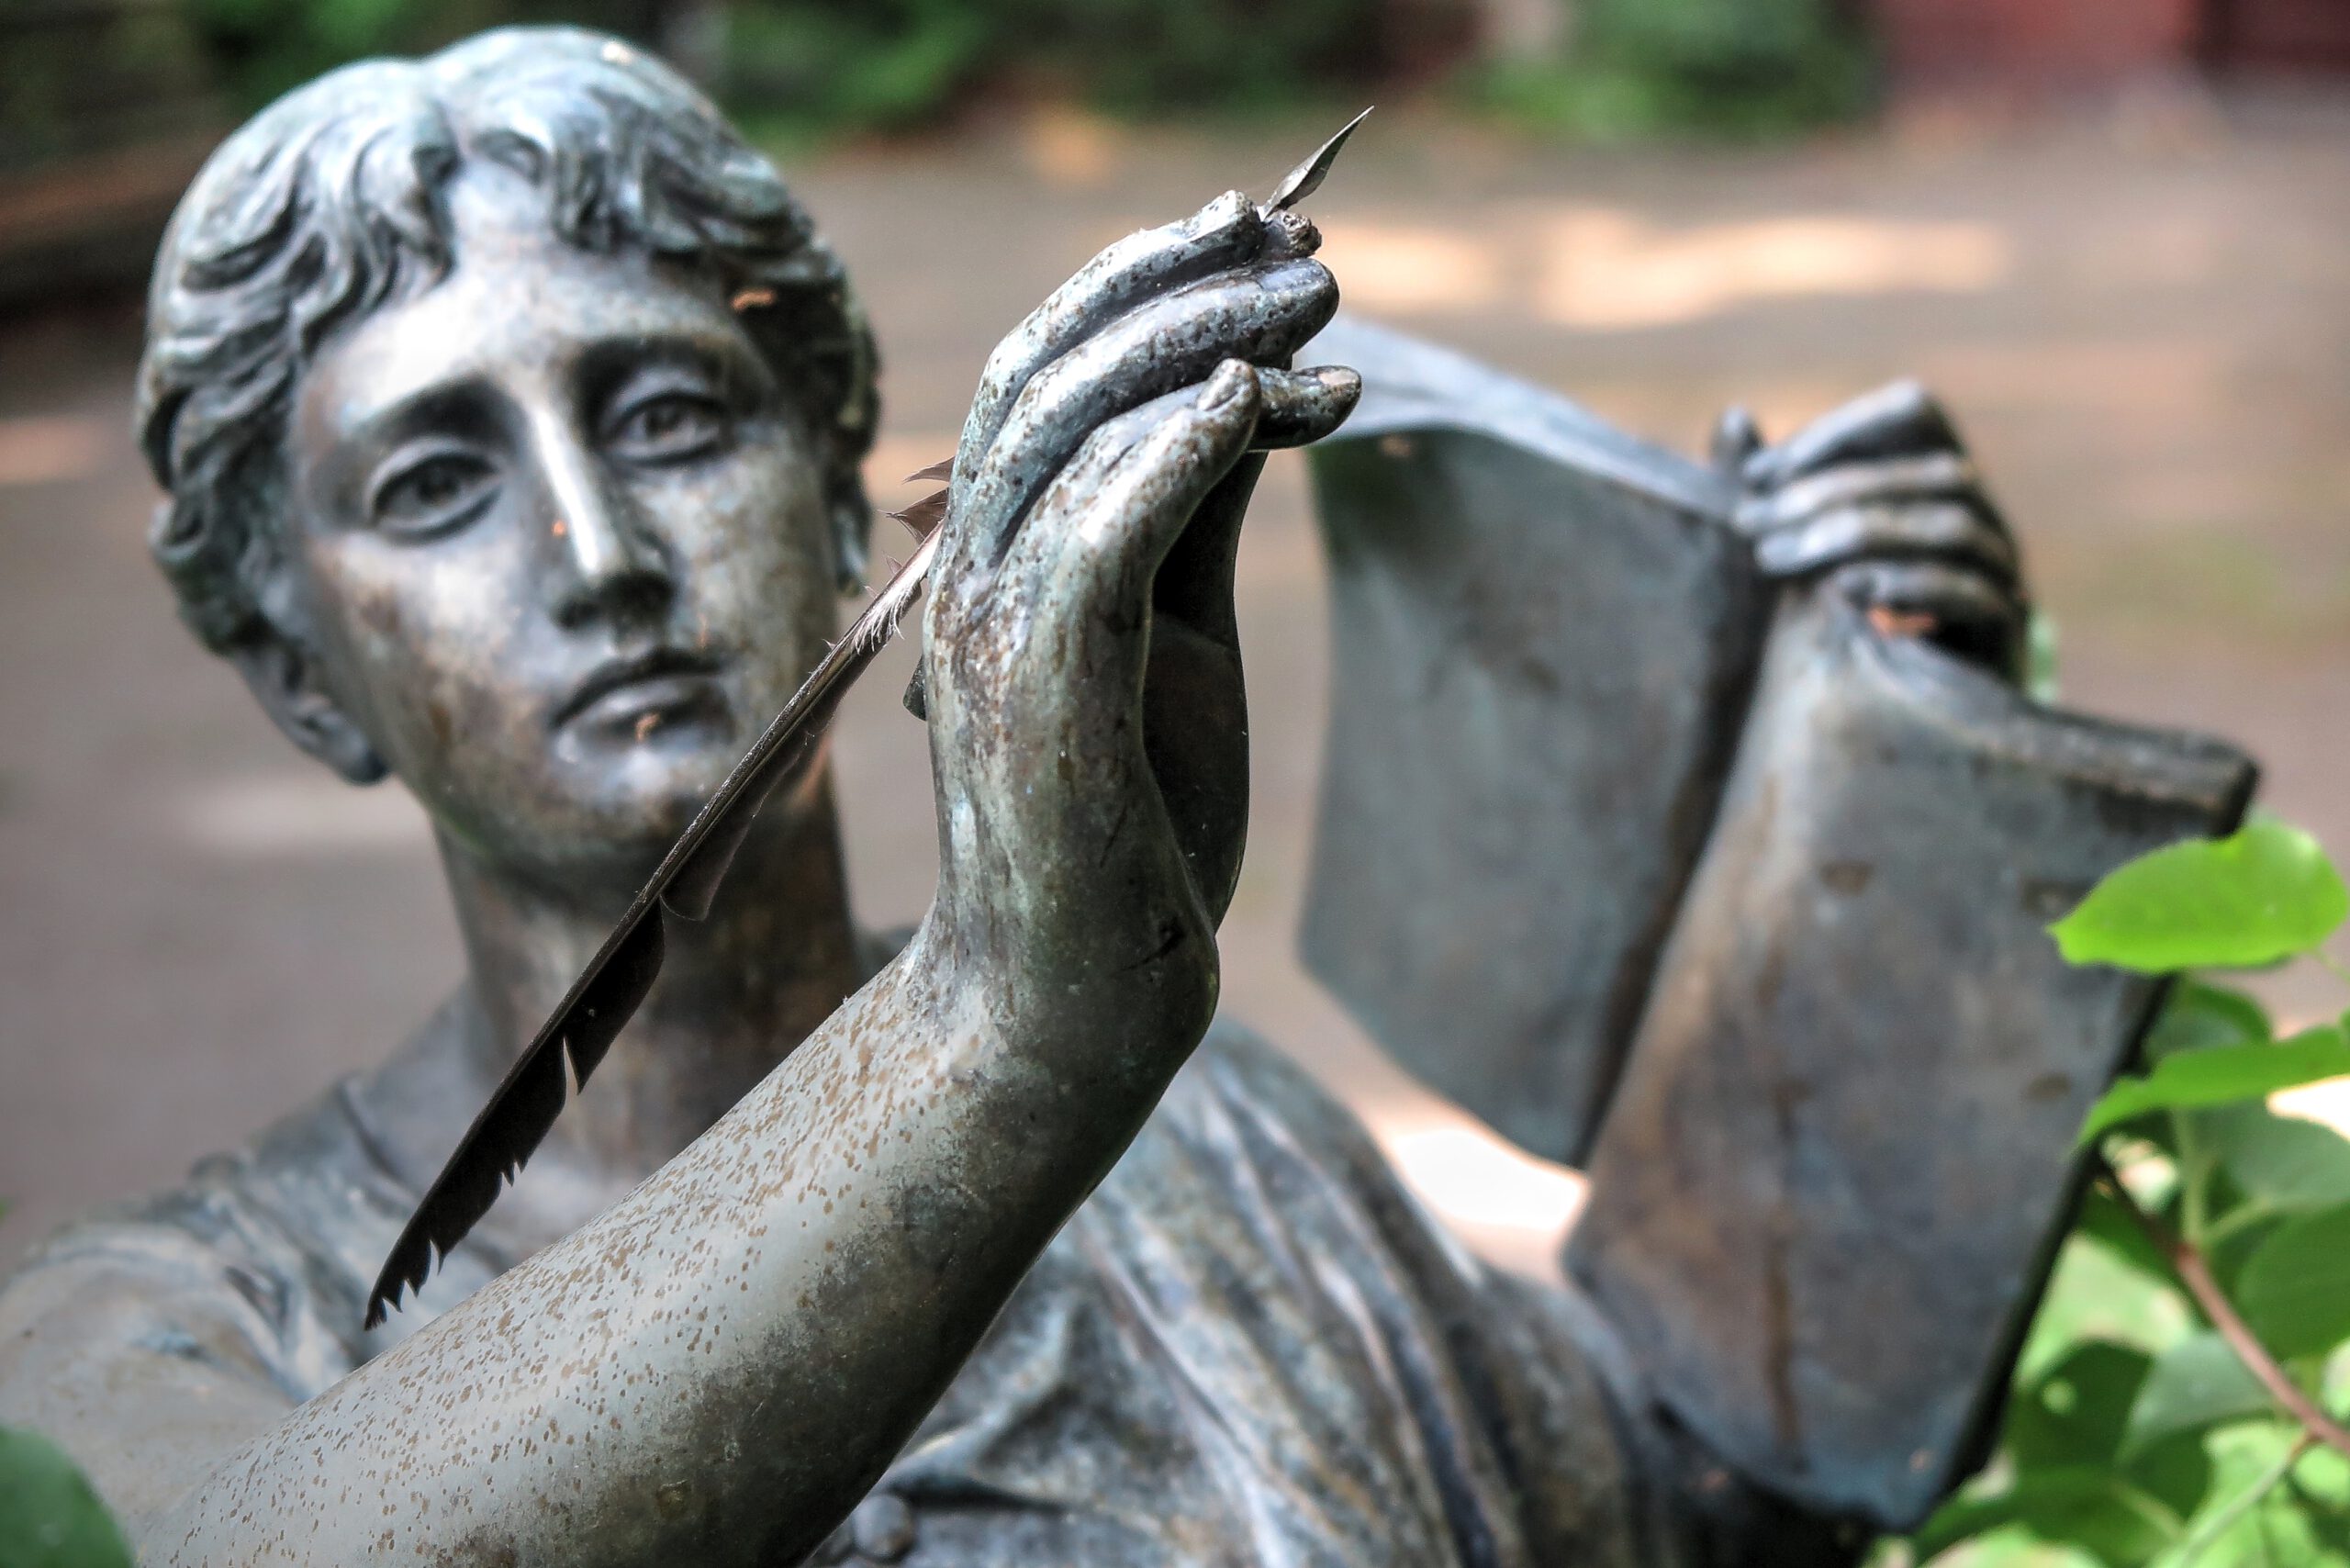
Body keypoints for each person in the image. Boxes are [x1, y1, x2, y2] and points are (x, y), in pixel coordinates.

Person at [0, 25, 2189, 1568]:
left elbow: (1708, 1483)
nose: (592, 555)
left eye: (666, 416)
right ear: (298, 667)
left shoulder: (1207, 1138)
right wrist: (1001, 1034)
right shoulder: (155, 1323)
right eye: (434, 482)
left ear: (840, 498)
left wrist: (1888, 795)